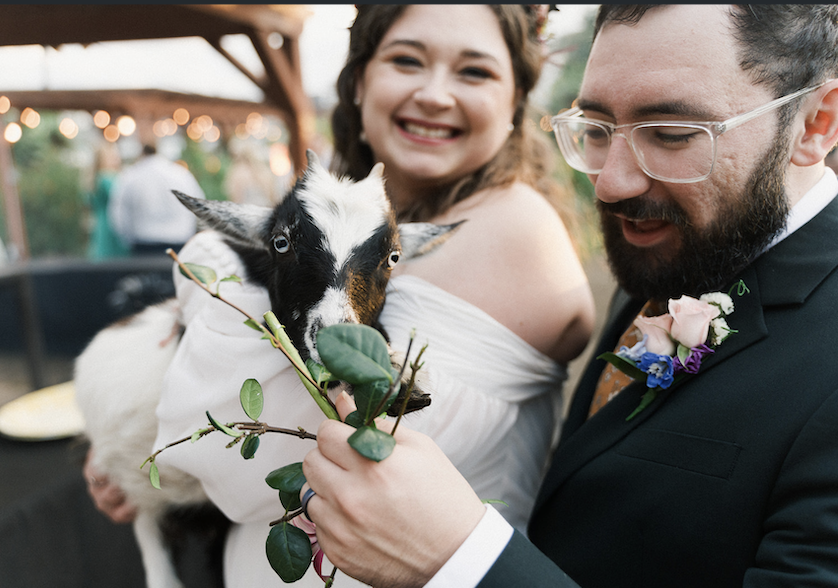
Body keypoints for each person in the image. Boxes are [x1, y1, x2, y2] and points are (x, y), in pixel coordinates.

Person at [299, 4, 838, 588]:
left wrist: (462, 561)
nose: (611, 183)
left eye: (672, 135)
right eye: (599, 128)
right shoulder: (679, 251)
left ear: (815, 124)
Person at [85, 4, 594, 587]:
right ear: (359, 81)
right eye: (407, 60)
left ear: (516, 100)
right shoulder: (351, 215)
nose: (433, 94)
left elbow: (236, 468)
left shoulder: (510, 227)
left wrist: (206, 262)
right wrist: (119, 439)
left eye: (473, 72)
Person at [108, 143, 206, 256]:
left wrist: (128, 240)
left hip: (143, 245)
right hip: (179, 242)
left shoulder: (130, 175)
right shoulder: (181, 174)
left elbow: (118, 215)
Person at [86, 142, 130, 260]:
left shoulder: (96, 179)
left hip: (102, 225)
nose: (115, 159)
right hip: (111, 225)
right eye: (111, 156)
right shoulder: (106, 178)